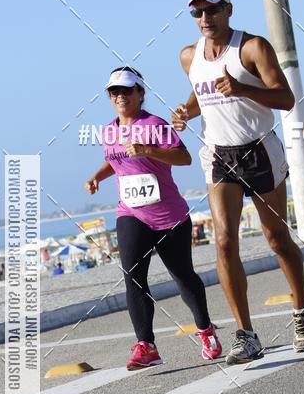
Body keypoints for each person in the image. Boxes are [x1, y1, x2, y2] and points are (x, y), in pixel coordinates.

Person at [172, 0, 304, 365]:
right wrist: (187, 110)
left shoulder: (252, 47)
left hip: (259, 151)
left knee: (276, 239)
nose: (204, 17)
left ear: (228, 10)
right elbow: (202, 92)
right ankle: (245, 334)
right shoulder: (189, 56)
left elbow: (285, 98)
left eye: (212, 9)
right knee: (223, 243)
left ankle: (301, 310)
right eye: (197, 11)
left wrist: (241, 88)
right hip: (219, 155)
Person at [85, 66, 222, 370]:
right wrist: (98, 176)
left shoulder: (156, 125)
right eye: (114, 92)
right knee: (133, 277)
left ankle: (206, 330)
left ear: (140, 93)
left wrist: (149, 150)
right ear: (110, 97)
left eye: (126, 90)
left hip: (168, 216)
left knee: (183, 277)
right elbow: (115, 161)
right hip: (130, 213)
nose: (120, 96)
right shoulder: (109, 131)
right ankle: (146, 345)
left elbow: (184, 157)